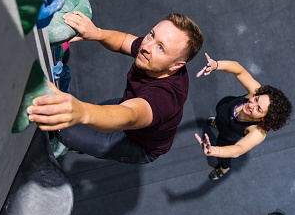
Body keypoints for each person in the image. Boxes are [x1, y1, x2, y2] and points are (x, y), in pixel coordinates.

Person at [27, 11, 203, 164]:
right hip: (128, 103)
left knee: (66, 131)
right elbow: (123, 41)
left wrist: (83, 112)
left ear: (176, 66)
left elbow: (129, 116)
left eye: (161, 47)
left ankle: (66, 144)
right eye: (151, 34)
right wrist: (97, 33)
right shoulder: (152, 52)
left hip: (139, 143)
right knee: (89, 118)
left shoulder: (163, 99)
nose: (146, 46)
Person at [195, 53, 292, 180]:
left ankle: (224, 168)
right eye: (256, 99)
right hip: (223, 109)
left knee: (223, 157)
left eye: (258, 109)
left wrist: (214, 151)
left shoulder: (258, 132)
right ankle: (217, 123)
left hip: (226, 135)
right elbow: (238, 69)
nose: (251, 104)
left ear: (264, 118)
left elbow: (237, 150)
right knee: (219, 119)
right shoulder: (255, 90)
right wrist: (216, 65)